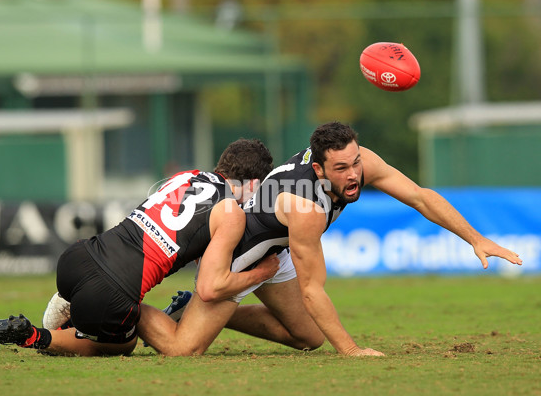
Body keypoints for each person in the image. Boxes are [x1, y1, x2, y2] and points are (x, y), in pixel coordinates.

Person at [137, 121, 523, 357]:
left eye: (355, 162)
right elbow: (312, 289)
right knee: (183, 349)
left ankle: (190, 309)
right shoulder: (305, 207)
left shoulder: (358, 162)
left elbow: (421, 196)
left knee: (307, 337)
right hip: (238, 255)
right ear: (319, 168)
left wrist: (475, 238)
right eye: (342, 169)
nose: (354, 174)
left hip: (277, 246)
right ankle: (125, 307)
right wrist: (351, 349)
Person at [0, 138, 279, 356]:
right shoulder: (232, 212)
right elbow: (210, 288)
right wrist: (260, 273)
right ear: (252, 183)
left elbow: (165, 228)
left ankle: (75, 301)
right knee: (124, 345)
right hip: (113, 291)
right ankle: (34, 336)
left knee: (109, 301)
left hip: (78, 258)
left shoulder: (185, 176)